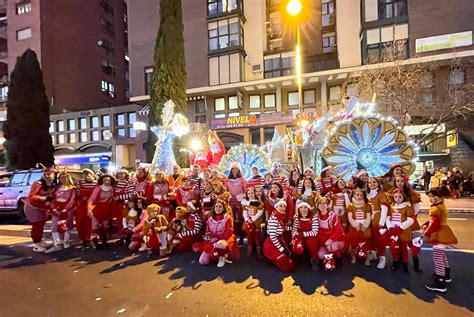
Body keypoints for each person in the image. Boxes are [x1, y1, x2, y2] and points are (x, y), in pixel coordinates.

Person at [423, 188, 458, 293]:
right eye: (429, 196)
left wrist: (426, 232)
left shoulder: (435, 209)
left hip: (439, 234)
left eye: (433, 196)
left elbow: (434, 224)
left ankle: (439, 281)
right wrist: (427, 224)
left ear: (440, 196)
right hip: (444, 231)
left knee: (437, 257)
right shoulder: (441, 205)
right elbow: (434, 221)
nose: (431, 199)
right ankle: (446, 275)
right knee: (442, 256)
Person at [194, 199, 239, 267]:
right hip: (213, 240)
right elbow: (208, 231)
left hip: (225, 240)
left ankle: (222, 257)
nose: (218, 208)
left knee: (220, 244)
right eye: (216, 206)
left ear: (223, 208)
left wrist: (217, 240)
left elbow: (228, 232)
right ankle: (215, 255)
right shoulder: (210, 219)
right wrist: (208, 237)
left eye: (220, 206)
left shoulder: (228, 218)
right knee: (203, 261)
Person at [24, 166, 57, 252]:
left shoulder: (54, 184)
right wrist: (45, 198)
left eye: (49, 174)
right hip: (33, 207)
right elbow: (31, 197)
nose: (48, 176)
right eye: (46, 174)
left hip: (44, 208)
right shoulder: (38, 183)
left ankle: (39, 241)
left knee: (41, 224)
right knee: (37, 225)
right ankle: (36, 244)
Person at [45, 171, 76, 253]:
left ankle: (66, 242)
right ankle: (57, 244)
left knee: (68, 225)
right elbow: (52, 199)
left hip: (67, 209)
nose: (63, 179)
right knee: (55, 226)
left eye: (65, 177)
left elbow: (72, 200)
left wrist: (65, 209)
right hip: (56, 209)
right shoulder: (56, 188)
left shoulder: (72, 188)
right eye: (61, 177)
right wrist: (54, 208)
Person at [386, 189, 415, 273]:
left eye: (400, 197)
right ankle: (395, 262)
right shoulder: (391, 207)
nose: (397, 198)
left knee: (403, 249)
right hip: (393, 232)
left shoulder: (407, 207)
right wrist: (390, 227)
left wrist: (401, 227)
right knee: (394, 248)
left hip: (403, 232)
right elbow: (388, 218)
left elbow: (411, 220)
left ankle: (405, 264)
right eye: (395, 197)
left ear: (403, 197)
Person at [263, 199, 295, 272]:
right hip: (271, 244)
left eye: (284, 206)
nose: (283, 208)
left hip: (279, 240)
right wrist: (281, 249)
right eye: (280, 206)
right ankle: (272, 259)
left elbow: (283, 228)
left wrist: (294, 229)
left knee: (290, 259)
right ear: (276, 207)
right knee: (288, 267)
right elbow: (273, 236)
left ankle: (275, 260)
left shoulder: (279, 217)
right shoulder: (274, 218)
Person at [316, 196, 346, 269]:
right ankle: (329, 259)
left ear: (328, 204)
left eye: (324, 203)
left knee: (331, 246)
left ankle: (338, 259)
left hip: (335, 240)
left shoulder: (333, 216)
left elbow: (339, 231)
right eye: (320, 203)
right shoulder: (316, 216)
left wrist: (330, 239)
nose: (322, 205)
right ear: (317, 205)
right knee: (320, 255)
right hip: (323, 240)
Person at [367, 177, 390, 269]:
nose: (372, 184)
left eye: (374, 182)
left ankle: (382, 257)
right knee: (371, 238)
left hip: (377, 218)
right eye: (370, 182)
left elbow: (384, 209)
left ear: (378, 183)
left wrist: (382, 222)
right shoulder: (368, 195)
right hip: (369, 219)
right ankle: (373, 253)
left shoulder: (381, 195)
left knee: (380, 240)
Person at [87, 175, 115, 249]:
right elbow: (91, 199)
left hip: (106, 209)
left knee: (105, 225)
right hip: (97, 208)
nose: (107, 182)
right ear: (102, 181)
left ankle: (104, 241)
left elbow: (111, 199)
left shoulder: (112, 189)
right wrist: (89, 210)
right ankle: (94, 242)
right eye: (105, 180)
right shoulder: (98, 188)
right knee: (95, 226)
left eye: (108, 180)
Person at [346, 189, 372, 265]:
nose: (359, 196)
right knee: (354, 242)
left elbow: (368, 217)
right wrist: (355, 225)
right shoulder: (350, 205)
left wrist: (365, 226)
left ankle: (367, 258)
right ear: (353, 195)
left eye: (361, 195)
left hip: (364, 226)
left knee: (366, 242)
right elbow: (350, 217)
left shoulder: (367, 205)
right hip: (354, 227)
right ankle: (353, 257)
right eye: (357, 195)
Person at [291, 200, 319, 271]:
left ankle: (315, 260)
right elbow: (294, 229)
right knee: (296, 244)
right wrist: (294, 236)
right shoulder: (297, 217)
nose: (303, 210)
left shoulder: (313, 217)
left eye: (305, 207)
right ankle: (298, 260)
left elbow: (315, 232)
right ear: (298, 209)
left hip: (310, 236)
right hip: (300, 236)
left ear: (308, 208)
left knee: (311, 242)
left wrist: (302, 234)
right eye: (301, 208)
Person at [225, 163, 247, 244]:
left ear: (239, 170)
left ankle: (241, 237)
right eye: (233, 169)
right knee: (231, 219)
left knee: (241, 218)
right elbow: (226, 190)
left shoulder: (242, 179)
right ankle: (232, 237)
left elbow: (246, 189)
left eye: (236, 169)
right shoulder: (227, 180)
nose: (234, 170)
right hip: (231, 201)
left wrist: (243, 197)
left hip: (240, 201)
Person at [75, 169, 97, 248]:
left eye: (88, 174)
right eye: (84, 174)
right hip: (81, 206)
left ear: (92, 175)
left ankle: (89, 238)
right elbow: (76, 195)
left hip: (93, 206)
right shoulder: (79, 184)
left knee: (91, 223)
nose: (86, 175)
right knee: (80, 223)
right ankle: (83, 238)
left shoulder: (96, 184)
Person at [241, 187, 265, 257]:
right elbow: (244, 211)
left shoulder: (258, 202)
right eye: (249, 193)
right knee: (249, 237)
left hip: (256, 223)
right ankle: (249, 251)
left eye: (252, 193)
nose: (250, 195)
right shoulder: (246, 202)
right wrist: (246, 219)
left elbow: (260, 212)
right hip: (248, 222)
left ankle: (259, 252)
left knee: (257, 237)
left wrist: (253, 219)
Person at [112, 169, 134, 234]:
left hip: (125, 205)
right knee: (118, 220)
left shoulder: (129, 183)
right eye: (119, 174)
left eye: (122, 174)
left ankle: (125, 235)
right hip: (116, 205)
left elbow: (131, 195)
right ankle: (121, 234)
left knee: (124, 221)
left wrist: (119, 197)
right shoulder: (115, 183)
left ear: (125, 175)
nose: (120, 175)